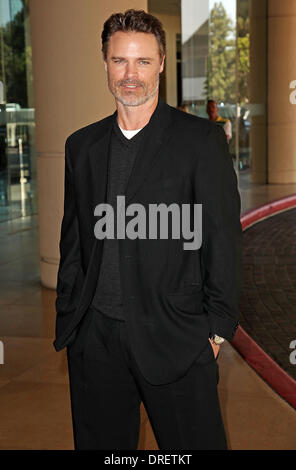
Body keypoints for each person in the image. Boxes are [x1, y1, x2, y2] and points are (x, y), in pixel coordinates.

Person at [53, 9, 242, 450]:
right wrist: (71, 315)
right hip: (96, 340)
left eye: (142, 61)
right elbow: (75, 239)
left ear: (161, 63)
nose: (130, 74)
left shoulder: (200, 141)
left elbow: (223, 241)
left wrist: (214, 331)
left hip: (177, 337)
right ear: (104, 63)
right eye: (120, 61)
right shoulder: (82, 146)